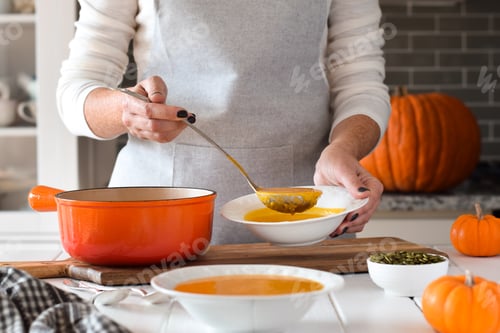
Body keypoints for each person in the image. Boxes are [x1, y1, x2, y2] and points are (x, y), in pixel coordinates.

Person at [57, 0, 391, 244]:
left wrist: (344, 148)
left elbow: (360, 81)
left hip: (307, 229)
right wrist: (125, 110)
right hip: (156, 228)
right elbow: (75, 91)